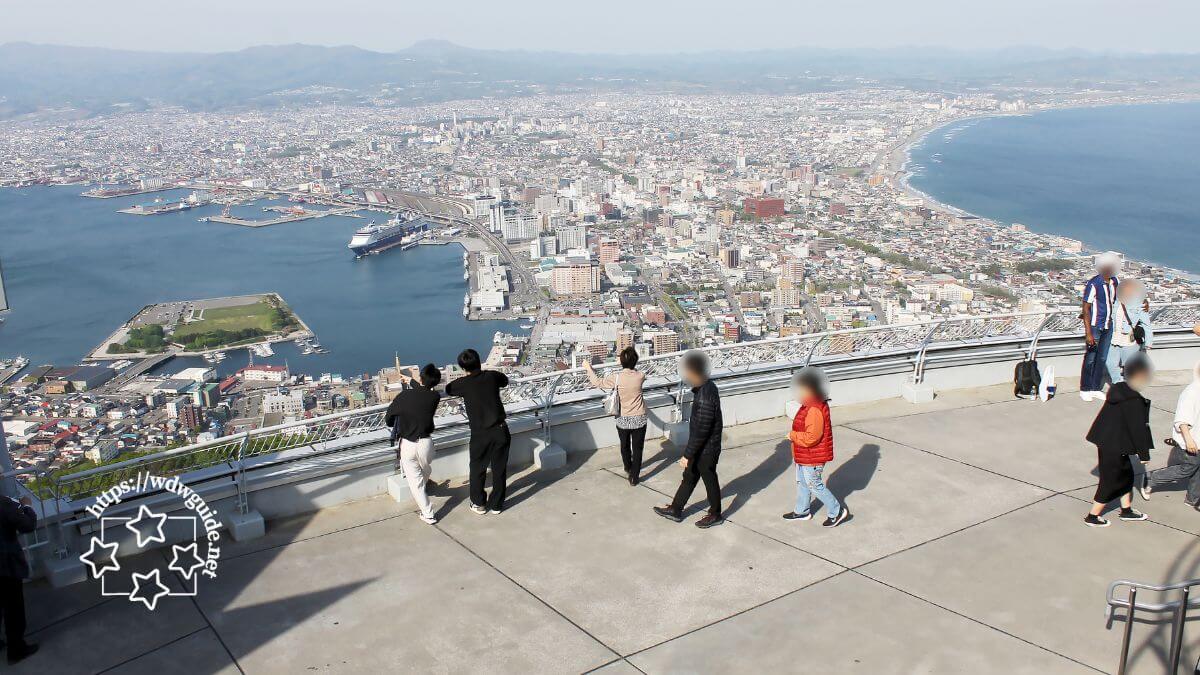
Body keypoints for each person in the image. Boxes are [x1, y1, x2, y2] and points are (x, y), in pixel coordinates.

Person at [654, 351, 724, 528]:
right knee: (690, 477)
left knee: (709, 480)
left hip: (706, 449)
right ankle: (676, 508)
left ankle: (715, 514)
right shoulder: (707, 387)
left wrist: (687, 455)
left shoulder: (704, 397)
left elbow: (701, 431)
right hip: (704, 447)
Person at [1084, 355, 1155, 527]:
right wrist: (1144, 454)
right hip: (1115, 445)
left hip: (1108, 442)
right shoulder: (1133, 401)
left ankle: (1126, 510)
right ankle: (1092, 516)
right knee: (1110, 481)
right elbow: (1137, 429)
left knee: (1126, 476)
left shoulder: (1120, 389)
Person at [445, 349, 511, 515]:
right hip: (500, 429)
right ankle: (496, 505)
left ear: (462, 367)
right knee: (499, 469)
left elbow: (448, 388)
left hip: (480, 434)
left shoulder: (463, 384)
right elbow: (505, 380)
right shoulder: (492, 376)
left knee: (477, 468)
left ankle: (479, 503)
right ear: (479, 361)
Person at [781, 368, 848, 527]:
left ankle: (836, 511)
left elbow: (812, 437)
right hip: (805, 455)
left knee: (814, 485)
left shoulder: (814, 409)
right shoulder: (809, 405)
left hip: (813, 457)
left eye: (801, 389)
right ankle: (802, 511)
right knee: (803, 483)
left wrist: (793, 436)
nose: (798, 393)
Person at [385, 363, 442, 525]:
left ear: (421, 378)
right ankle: (425, 483)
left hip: (409, 444)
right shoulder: (435, 397)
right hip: (427, 443)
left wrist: (412, 383)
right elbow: (423, 391)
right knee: (425, 469)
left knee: (415, 483)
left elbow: (389, 418)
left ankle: (428, 514)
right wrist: (411, 380)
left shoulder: (404, 397)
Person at [584, 347, 648, 486]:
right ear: (635, 361)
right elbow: (639, 375)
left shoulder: (617, 378)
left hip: (622, 418)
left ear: (621, 362)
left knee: (624, 445)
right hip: (640, 417)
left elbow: (597, 382)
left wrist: (589, 369)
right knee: (638, 449)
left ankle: (628, 467)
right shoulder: (640, 376)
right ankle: (634, 477)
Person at [1143, 360, 1200, 509]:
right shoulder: (1192, 392)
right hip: (1191, 440)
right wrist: (1189, 440)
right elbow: (1182, 419)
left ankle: (1193, 499)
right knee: (1188, 467)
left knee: (1198, 468)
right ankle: (1151, 479)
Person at [0, 493, 38, 664]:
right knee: (13, 608)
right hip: (6, 565)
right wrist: (27, 506)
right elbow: (28, 525)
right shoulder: (4, 504)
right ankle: (16, 649)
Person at [1080, 252, 1121, 401]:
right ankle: (1085, 388)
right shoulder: (1094, 284)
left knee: (1102, 358)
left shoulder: (1114, 282)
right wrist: (1088, 333)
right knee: (1090, 357)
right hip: (1095, 325)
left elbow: (1122, 298)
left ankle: (1095, 387)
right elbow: (1085, 308)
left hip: (1108, 325)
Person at [1105, 278, 1154, 384]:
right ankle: (1117, 382)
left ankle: (1127, 386)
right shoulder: (1115, 300)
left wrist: (1148, 342)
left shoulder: (1139, 304)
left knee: (1129, 366)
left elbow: (1147, 325)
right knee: (1110, 363)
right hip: (1113, 338)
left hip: (1129, 340)